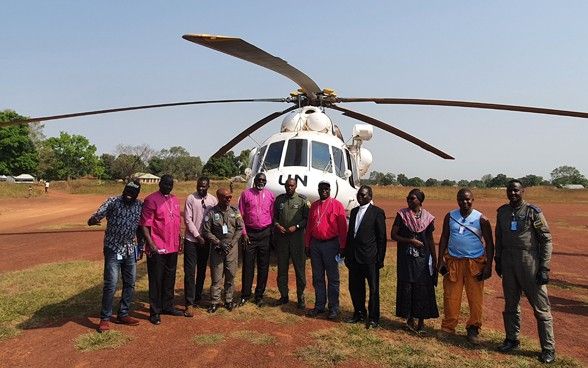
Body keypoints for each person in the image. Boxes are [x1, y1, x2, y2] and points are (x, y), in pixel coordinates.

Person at [495, 179, 555, 363]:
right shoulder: (502, 212)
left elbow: (546, 240)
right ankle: (512, 339)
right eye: (510, 191)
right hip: (508, 262)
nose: (513, 193)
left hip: (529, 263)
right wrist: (498, 260)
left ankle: (548, 348)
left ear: (523, 192)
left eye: (516, 191)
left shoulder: (532, 212)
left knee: (541, 308)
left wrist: (544, 267)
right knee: (511, 305)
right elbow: (499, 237)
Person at [437, 188, 494, 344]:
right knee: (451, 297)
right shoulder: (450, 216)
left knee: (475, 298)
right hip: (453, 262)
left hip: (474, 263)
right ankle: (448, 327)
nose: (465, 202)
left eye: (468, 199)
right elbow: (444, 237)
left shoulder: (481, 219)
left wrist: (488, 265)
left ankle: (473, 328)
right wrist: (440, 260)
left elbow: (489, 243)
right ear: (457, 200)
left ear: (473, 200)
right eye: (461, 199)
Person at [88, 180, 143, 333]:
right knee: (111, 284)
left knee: (130, 283)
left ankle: (123, 314)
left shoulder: (140, 205)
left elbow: (141, 227)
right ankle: (105, 318)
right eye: (127, 191)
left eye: (133, 193)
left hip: (130, 249)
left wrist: (141, 246)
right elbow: (99, 213)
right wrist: (93, 220)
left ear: (137, 194)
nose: (129, 195)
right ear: (123, 189)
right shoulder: (113, 201)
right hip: (113, 248)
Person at [391, 188, 439, 333]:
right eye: (408, 198)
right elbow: (394, 235)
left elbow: (430, 239)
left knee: (422, 287)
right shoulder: (402, 215)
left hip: (422, 259)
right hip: (406, 259)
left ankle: (421, 322)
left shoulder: (428, 218)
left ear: (420, 200)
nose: (409, 200)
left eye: (412, 198)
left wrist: (435, 260)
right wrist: (410, 241)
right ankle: (409, 318)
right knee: (407, 287)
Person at [140, 174, 183, 325]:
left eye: (170, 184)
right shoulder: (150, 200)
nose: (168, 187)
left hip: (172, 246)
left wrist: (180, 239)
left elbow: (177, 222)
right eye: (165, 184)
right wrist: (151, 244)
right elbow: (145, 225)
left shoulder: (175, 199)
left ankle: (168, 306)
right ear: (160, 184)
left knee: (169, 278)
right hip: (157, 247)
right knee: (156, 280)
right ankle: (155, 311)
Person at [344, 185, 387, 329]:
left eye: (363, 195)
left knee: (373, 289)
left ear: (370, 196)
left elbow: (382, 238)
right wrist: (348, 255)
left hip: (370, 258)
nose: (359, 197)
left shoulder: (377, 212)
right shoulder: (354, 211)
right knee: (355, 287)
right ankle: (359, 313)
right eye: (358, 195)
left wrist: (380, 259)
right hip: (355, 258)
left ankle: (374, 318)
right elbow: (351, 235)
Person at [305, 180, 348, 320]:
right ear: (318, 190)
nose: (324, 190)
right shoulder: (314, 206)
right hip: (316, 245)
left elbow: (342, 228)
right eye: (321, 188)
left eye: (326, 188)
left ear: (330, 190)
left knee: (333, 278)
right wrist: (307, 244)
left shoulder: (337, 205)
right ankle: (319, 306)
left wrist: (342, 246)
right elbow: (310, 226)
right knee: (318, 277)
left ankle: (334, 308)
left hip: (331, 245)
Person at [202, 188, 243, 313]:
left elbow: (240, 228)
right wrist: (218, 242)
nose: (229, 199)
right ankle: (214, 301)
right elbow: (206, 231)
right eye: (226, 197)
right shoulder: (211, 213)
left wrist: (232, 243)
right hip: (217, 248)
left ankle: (228, 300)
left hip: (232, 248)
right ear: (219, 198)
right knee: (217, 276)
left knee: (231, 274)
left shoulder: (235, 211)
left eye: (230, 197)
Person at [238, 172, 275, 307]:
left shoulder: (271, 195)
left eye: (263, 180)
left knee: (263, 266)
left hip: (265, 233)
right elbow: (240, 215)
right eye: (259, 179)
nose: (261, 182)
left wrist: (271, 234)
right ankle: (245, 295)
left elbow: (273, 215)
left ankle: (259, 295)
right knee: (248, 265)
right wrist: (244, 234)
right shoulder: (246, 194)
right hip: (250, 235)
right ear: (254, 180)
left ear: (265, 182)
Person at [183, 177, 218, 317]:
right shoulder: (191, 198)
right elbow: (187, 219)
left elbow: (216, 218)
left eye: (204, 186)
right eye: (199, 186)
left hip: (206, 241)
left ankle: (197, 296)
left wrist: (211, 237)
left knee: (202, 270)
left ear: (208, 186)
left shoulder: (213, 200)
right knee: (190, 272)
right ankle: (189, 303)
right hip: (192, 240)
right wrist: (198, 236)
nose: (201, 189)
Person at [273, 178, 309, 309]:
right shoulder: (279, 200)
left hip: (297, 240)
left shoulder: (302, 200)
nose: (289, 188)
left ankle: (301, 297)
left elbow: (307, 219)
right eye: (287, 186)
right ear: (285, 186)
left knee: (300, 270)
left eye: (292, 186)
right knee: (282, 269)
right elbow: (274, 217)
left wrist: (297, 226)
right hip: (282, 239)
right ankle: (284, 296)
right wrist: (277, 225)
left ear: (296, 186)